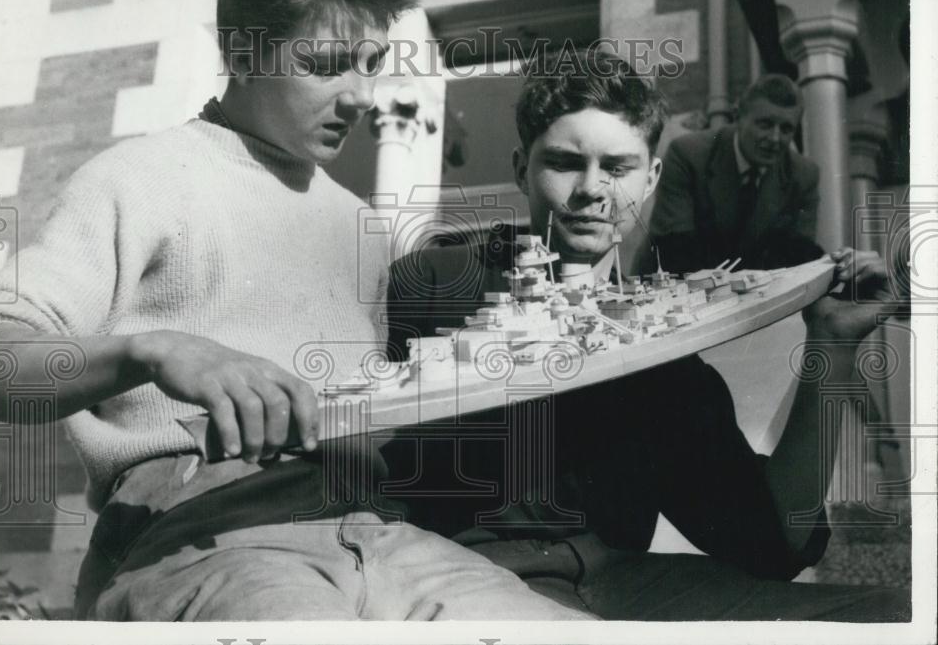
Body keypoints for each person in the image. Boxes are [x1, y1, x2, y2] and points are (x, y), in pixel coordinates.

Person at [0, 0, 594, 622]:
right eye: (325, 65)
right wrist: (153, 350)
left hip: (382, 533)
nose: (361, 96)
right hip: (205, 531)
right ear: (241, 53)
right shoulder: (140, 176)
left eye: (372, 64)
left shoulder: (358, 224)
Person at [383, 48, 910, 620]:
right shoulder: (434, 280)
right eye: (563, 162)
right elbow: (361, 466)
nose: (592, 189)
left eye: (617, 168)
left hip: (624, 587)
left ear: (652, 178)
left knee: (888, 613)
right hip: (469, 583)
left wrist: (833, 344)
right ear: (520, 169)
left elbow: (773, 544)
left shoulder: (666, 349)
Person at [649, 74, 822, 274]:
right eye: (765, 124)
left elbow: (799, 255)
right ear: (737, 116)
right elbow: (675, 247)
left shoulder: (803, 175)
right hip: (673, 281)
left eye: (786, 129)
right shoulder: (687, 155)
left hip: (753, 287)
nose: (775, 138)